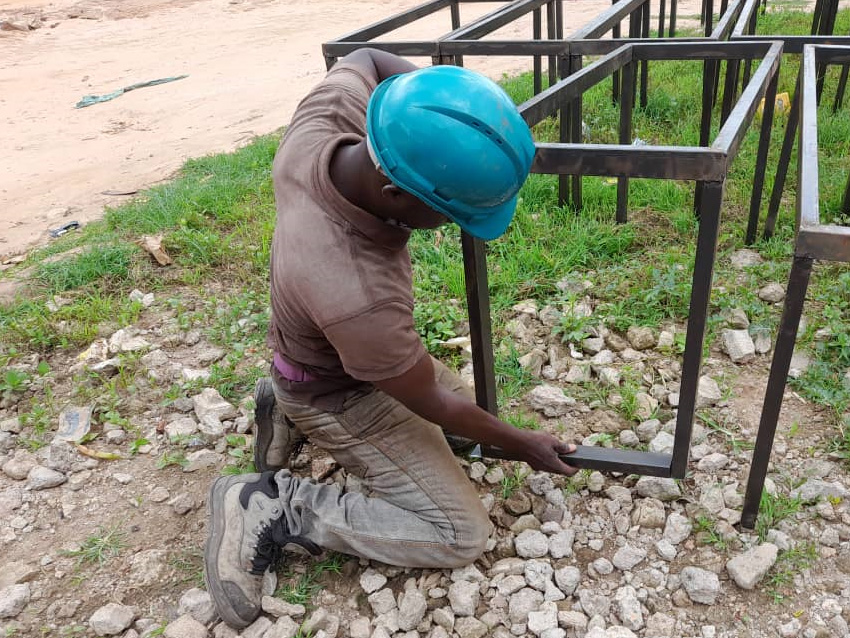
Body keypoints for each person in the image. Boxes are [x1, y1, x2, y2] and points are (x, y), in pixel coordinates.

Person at [204, 48, 578, 629]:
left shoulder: (326, 128)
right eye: (449, 211)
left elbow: (369, 59)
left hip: (330, 352)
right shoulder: (354, 287)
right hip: (343, 393)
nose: (454, 224)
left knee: (467, 423)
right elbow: (427, 398)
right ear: (395, 194)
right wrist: (523, 441)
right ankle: (275, 506)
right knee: (459, 532)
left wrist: (440, 114)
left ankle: (282, 404)